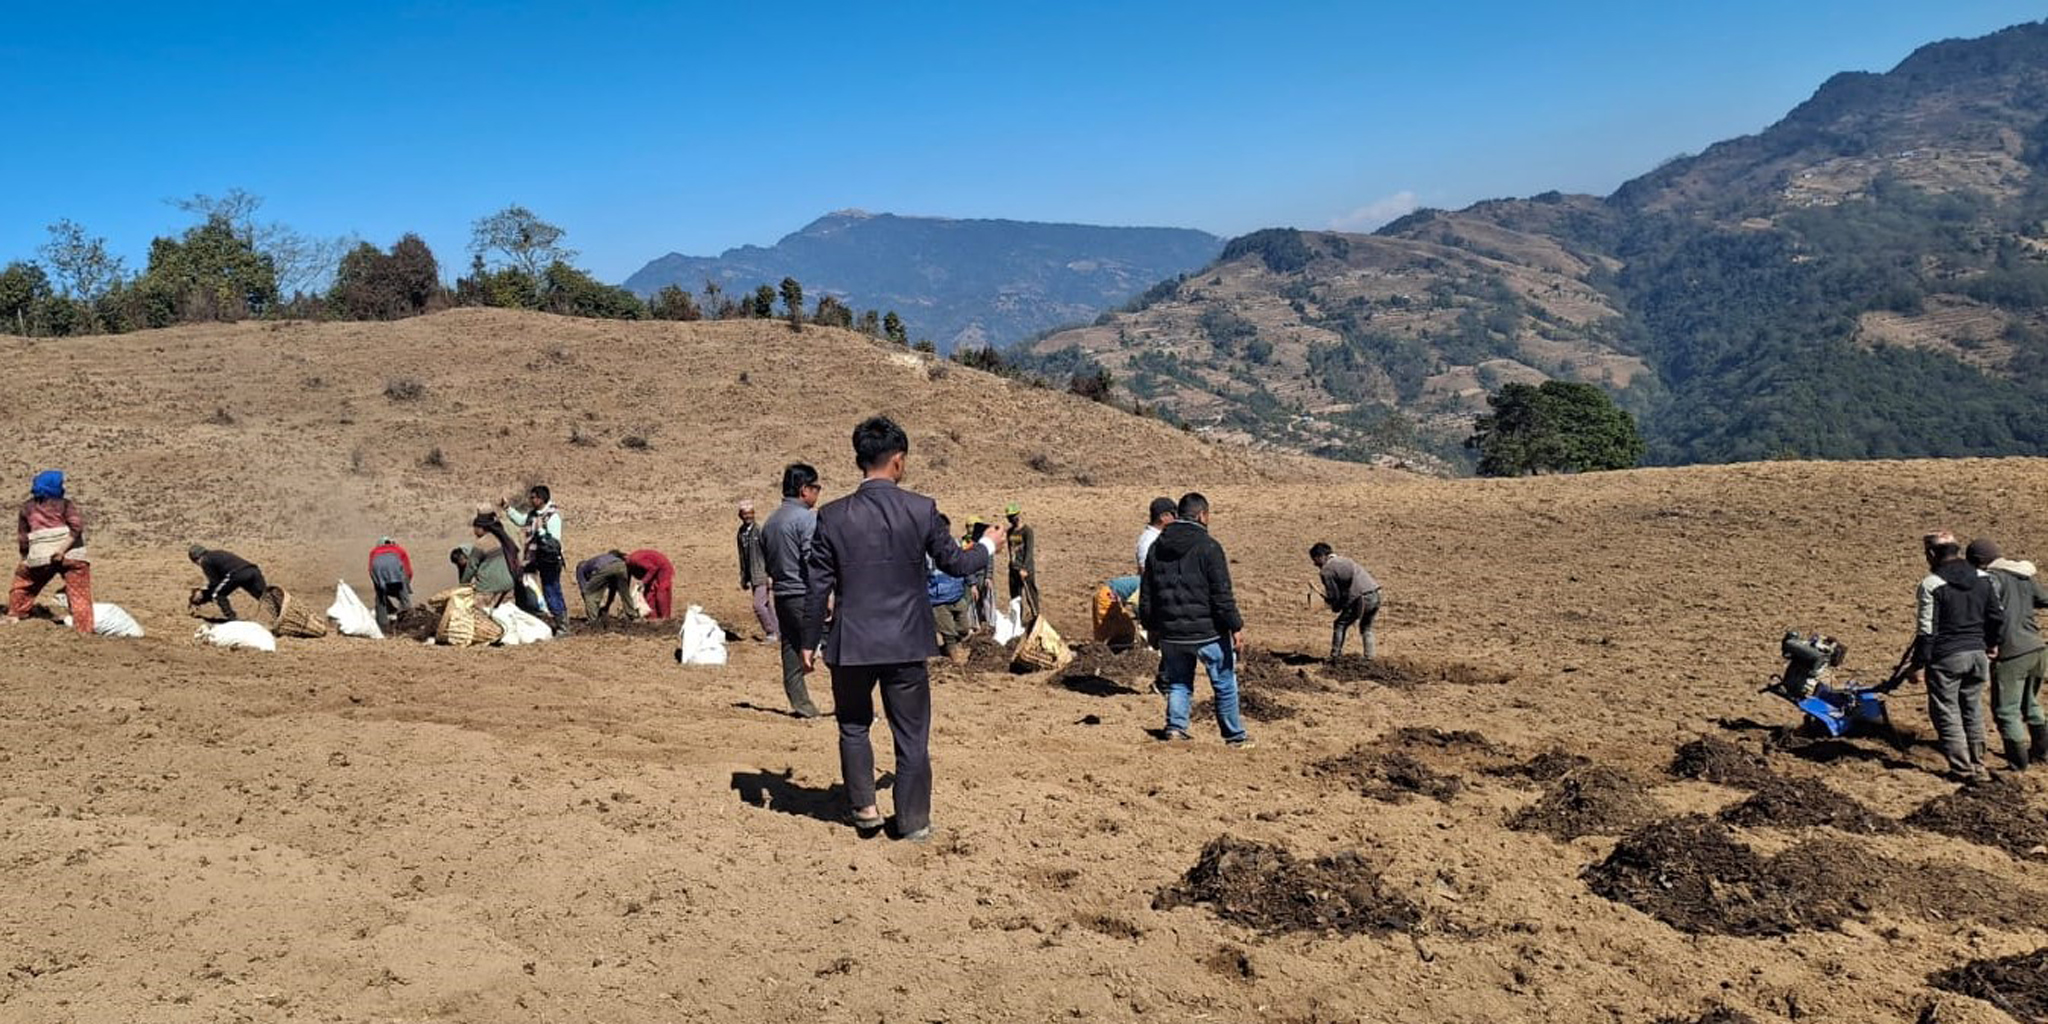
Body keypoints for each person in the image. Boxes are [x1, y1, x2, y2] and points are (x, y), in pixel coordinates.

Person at [801, 416, 1005, 841]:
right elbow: (955, 564)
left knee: (853, 726)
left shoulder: (833, 516)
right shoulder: (921, 509)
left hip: (851, 642)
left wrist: (807, 642)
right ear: (898, 461)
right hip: (907, 641)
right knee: (911, 736)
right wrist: (988, 545)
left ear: (861, 461)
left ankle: (865, 810)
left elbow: (817, 585)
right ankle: (913, 822)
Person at [1140, 492, 1250, 748]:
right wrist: (1235, 626)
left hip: (1171, 632)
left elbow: (1147, 593)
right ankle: (1234, 737)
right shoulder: (1209, 547)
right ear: (1202, 515)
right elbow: (1222, 594)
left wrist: (1151, 627)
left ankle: (1176, 728)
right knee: (1224, 683)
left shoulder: (1156, 547)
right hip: (1208, 631)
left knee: (1179, 682)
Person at [1908, 531, 2003, 784]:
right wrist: (1991, 644)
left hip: (1947, 657)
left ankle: (1962, 769)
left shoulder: (1931, 584)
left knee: (1947, 712)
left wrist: (1917, 665)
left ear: (1931, 554)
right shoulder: (1984, 578)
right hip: (1977, 655)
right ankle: (1979, 765)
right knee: (1972, 710)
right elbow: (1996, 616)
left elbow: (1926, 631)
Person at [1970, 538, 2048, 770]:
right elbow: (2044, 599)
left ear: (1978, 562)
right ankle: (2041, 753)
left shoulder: (1991, 579)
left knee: (2006, 710)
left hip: (2011, 651)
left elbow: (1990, 612)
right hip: (2037, 647)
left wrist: (1990, 641)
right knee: (2031, 703)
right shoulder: (2022, 575)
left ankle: (2017, 763)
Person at [763, 464, 825, 718]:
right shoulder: (807, 519)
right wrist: (826, 595)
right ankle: (851, 704)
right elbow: (813, 560)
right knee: (832, 644)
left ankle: (802, 704)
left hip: (782, 595)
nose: (818, 493)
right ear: (804, 490)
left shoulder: (771, 520)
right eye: (816, 488)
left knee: (790, 647)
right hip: (804, 594)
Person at [8, 470, 92, 634]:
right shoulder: (66, 505)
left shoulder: (27, 508)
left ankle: (15, 615)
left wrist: (25, 558)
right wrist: (61, 550)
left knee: (23, 584)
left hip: (40, 556)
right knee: (80, 595)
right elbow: (76, 527)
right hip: (73, 556)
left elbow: (23, 537)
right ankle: (84, 630)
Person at [503, 485, 567, 634]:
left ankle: (562, 626)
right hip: (534, 558)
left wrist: (540, 530)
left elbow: (554, 542)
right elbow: (520, 520)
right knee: (524, 585)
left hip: (549, 561)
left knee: (552, 591)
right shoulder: (534, 515)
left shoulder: (552, 517)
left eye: (533, 497)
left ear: (541, 498)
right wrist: (507, 508)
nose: (531, 500)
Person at [1311, 543, 1383, 661]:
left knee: (1339, 624)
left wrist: (1333, 605)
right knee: (1366, 628)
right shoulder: (1345, 560)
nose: (1315, 564)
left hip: (1362, 597)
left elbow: (1335, 595)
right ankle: (1370, 658)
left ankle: (1335, 657)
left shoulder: (1326, 570)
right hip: (1376, 593)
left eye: (1315, 560)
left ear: (1321, 556)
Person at [471, 509, 546, 619]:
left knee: (479, 611)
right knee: (509, 611)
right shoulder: (503, 531)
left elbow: (471, 567)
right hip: (513, 576)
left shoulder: (486, 541)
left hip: (496, 583)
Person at [929, 515, 973, 663]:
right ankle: (956, 662)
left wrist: (972, 584)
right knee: (948, 634)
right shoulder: (926, 550)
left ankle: (947, 650)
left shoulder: (957, 544)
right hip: (938, 599)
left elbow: (965, 565)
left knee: (964, 629)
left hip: (956, 595)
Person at [188, 544, 271, 621]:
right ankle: (281, 615)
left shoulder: (205, 561)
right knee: (264, 597)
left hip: (237, 574)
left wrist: (203, 594)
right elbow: (221, 581)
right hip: (253, 570)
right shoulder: (218, 553)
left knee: (217, 594)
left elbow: (215, 584)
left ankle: (232, 619)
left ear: (196, 559)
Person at [737, 500, 778, 641]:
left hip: (762, 574)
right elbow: (742, 556)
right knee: (766, 604)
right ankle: (778, 632)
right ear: (740, 515)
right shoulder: (741, 533)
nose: (748, 516)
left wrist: (771, 575)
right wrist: (743, 577)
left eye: (750, 513)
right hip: (752, 575)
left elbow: (769, 553)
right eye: (745, 514)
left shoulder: (759, 531)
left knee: (758, 605)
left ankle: (770, 632)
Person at [367, 536, 413, 636]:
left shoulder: (374, 551)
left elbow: (371, 570)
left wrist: (378, 586)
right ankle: (406, 624)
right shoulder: (399, 550)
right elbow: (408, 570)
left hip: (379, 574)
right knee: (405, 600)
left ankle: (383, 627)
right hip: (396, 574)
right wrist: (406, 586)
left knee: (380, 602)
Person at [575, 550, 636, 624]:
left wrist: (591, 607)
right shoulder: (600, 560)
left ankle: (593, 620)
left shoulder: (581, 568)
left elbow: (584, 591)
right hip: (621, 566)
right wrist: (607, 606)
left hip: (604, 567)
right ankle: (632, 614)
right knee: (625, 592)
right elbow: (613, 590)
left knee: (589, 593)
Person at [1006, 502, 1038, 625]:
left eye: (1012, 516)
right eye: (1008, 517)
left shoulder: (1027, 531)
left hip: (1025, 570)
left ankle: (1036, 618)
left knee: (1031, 595)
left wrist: (1024, 569)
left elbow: (1029, 551)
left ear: (1018, 515)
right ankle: (1017, 622)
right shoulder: (1010, 532)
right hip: (1013, 569)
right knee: (1015, 599)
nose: (1010, 519)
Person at [625, 549, 674, 620]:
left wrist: (643, 581)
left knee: (662, 593)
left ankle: (665, 618)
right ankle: (652, 618)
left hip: (662, 568)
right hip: (650, 572)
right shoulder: (628, 565)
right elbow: (627, 581)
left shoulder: (635, 560)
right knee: (649, 595)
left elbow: (653, 568)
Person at [1136, 496, 1175, 571]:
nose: (1176, 518)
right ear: (1163, 516)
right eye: (1173, 514)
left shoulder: (1161, 536)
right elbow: (1144, 571)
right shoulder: (1148, 541)